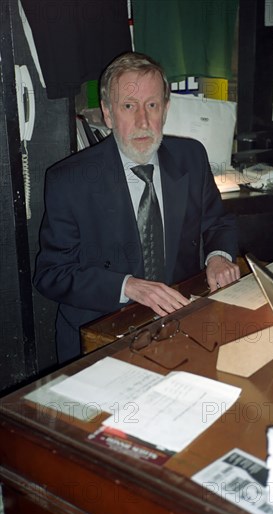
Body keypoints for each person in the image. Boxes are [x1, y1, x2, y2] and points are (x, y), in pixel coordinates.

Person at [34, 52, 240, 364]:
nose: (143, 121)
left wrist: (219, 258)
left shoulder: (191, 157)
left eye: (152, 106)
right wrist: (127, 286)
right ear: (107, 112)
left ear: (166, 109)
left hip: (177, 327)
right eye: (128, 106)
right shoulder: (70, 180)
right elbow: (51, 274)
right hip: (101, 338)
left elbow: (217, 224)